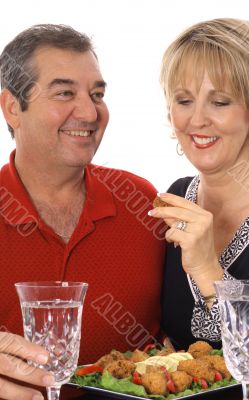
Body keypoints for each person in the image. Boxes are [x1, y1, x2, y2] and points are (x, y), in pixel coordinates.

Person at [0, 24, 165, 400]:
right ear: (13, 108)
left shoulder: (143, 203)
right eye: (64, 93)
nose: (90, 112)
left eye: (97, 94)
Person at [148, 18, 249, 350]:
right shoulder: (174, 198)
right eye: (184, 101)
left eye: (220, 102)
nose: (197, 120)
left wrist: (206, 268)